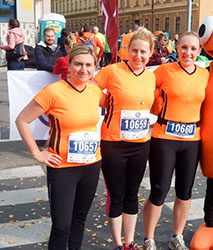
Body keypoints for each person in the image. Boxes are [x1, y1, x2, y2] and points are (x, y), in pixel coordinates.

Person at [15, 44, 105, 250]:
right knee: (62, 225)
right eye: (78, 64)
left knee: (79, 219)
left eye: (89, 65)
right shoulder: (53, 91)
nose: (84, 69)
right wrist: (37, 153)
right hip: (62, 167)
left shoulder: (95, 91)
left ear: (95, 67)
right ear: (70, 65)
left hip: (91, 165)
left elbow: (120, 102)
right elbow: (22, 120)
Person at [142, 31, 209, 250]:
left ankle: (176, 236)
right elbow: (141, 88)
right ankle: (149, 239)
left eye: (193, 49)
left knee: (185, 191)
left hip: (192, 139)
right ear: (176, 48)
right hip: (165, 138)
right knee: (159, 191)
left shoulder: (205, 74)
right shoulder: (164, 70)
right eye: (184, 48)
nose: (188, 53)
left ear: (199, 52)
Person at [94, 28, 156, 250]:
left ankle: (130, 243)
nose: (138, 56)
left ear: (150, 53)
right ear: (127, 51)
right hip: (113, 143)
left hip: (140, 144)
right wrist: (105, 101)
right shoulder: (113, 71)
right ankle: (118, 244)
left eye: (143, 52)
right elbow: (91, 87)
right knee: (116, 193)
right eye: (134, 51)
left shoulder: (151, 77)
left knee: (132, 193)